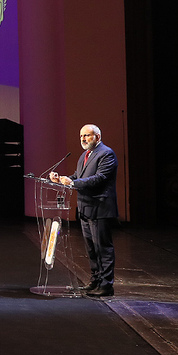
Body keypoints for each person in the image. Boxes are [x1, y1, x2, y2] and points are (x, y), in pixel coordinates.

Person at [50, 124, 118, 298]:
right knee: (91, 249)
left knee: (102, 248)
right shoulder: (85, 155)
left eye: (87, 135)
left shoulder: (106, 154)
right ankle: (95, 281)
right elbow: (78, 176)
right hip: (85, 208)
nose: (83, 139)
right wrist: (62, 179)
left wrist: (73, 183)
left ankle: (106, 285)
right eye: (81, 136)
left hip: (100, 208)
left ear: (98, 137)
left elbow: (99, 178)